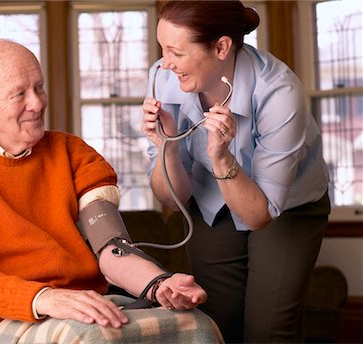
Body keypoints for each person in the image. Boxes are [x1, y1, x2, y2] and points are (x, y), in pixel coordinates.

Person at [0, 39, 224, 343]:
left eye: (39, 87)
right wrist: (45, 298)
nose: (37, 103)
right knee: (92, 338)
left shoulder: (71, 152)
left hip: (86, 306)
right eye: (19, 94)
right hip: (1, 320)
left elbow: (110, 248)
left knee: (196, 325)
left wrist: (159, 284)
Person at [141, 1, 330, 343]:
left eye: (176, 52)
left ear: (221, 47)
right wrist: (165, 144)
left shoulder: (279, 91)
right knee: (216, 324)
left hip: (287, 206)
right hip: (212, 202)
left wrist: (222, 157)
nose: (165, 63)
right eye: (162, 50)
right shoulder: (166, 76)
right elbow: (173, 198)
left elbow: (260, 215)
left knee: (267, 329)